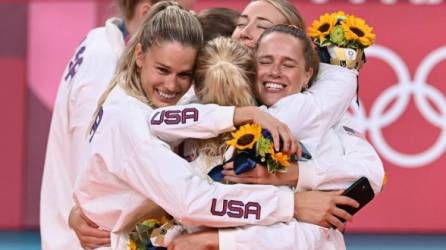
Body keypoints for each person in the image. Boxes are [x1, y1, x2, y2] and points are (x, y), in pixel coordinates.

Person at [73, 2, 352, 250]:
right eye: (163, 70)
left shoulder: (310, 117)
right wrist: (291, 205)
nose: (171, 85)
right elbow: (191, 201)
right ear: (139, 56)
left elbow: (363, 173)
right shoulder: (148, 116)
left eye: (183, 74)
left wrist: (299, 174)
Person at [151, 26, 384, 250]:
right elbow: (155, 124)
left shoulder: (324, 128)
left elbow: (315, 231)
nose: (275, 71)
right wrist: (246, 114)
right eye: (265, 61)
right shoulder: (220, 117)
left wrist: (292, 175)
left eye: (288, 64)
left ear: (307, 75)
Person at [40, 1, 197, 249]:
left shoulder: (100, 40)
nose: (190, 22)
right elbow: (94, 163)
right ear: (147, 12)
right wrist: (78, 213)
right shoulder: (106, 64)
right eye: (182, 12)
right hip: (90, 237)